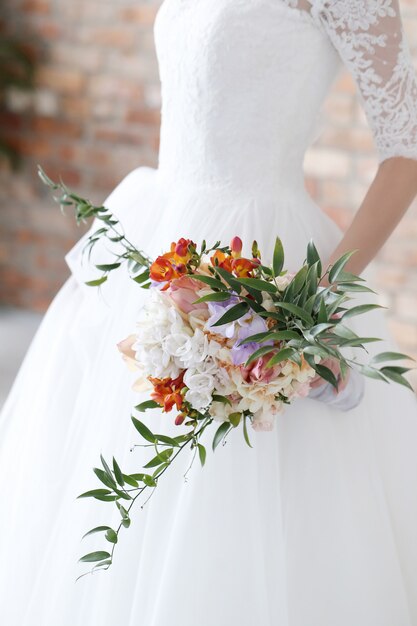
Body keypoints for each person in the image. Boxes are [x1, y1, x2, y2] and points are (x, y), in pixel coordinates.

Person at [1, 1, 417, 624]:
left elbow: (405, 152)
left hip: (255, 259)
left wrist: (309, 303)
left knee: (235, 491)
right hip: (160, 234)